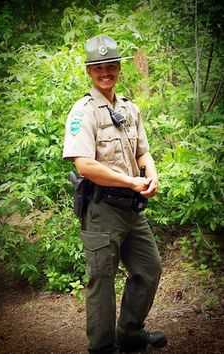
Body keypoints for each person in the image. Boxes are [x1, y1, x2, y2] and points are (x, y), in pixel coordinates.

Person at [63, 34, 167, 354]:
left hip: (132, 209)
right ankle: (103, 347)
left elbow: (142, 153)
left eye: (111, 66)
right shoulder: (84, 112)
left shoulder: (129, 108)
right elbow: (85, 166)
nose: (105, 72)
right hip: (101, 209)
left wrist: (151, 175)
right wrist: (131, 182)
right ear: (89, 72)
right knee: (102, 281)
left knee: (149, 269)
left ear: (119, 68)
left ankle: (130, 333)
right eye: (98, 67)